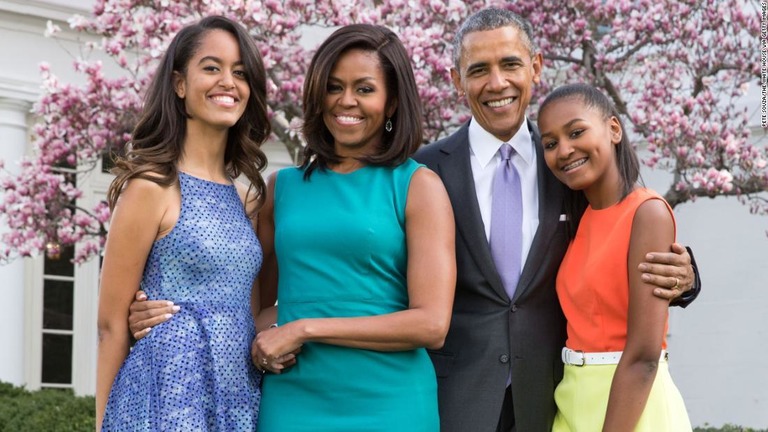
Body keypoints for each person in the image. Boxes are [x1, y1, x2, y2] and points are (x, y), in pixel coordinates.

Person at [411, 8, 701, 432]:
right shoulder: (425, 171)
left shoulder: (572, 166)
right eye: (479, 70)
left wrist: (687, 278)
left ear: (535, 67)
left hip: (553, 398)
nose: (498, 83)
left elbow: (622, 227)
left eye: (510, 64)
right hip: (456, 397)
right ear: (457, 80)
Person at [96, 16, 271, 431]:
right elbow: (109, 325)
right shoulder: (151, 186)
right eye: (211, 67)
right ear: (179, 84)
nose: (228, 81)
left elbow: (254, 309)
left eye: (240, 72)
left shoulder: (249, 201)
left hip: (237, 393)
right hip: (163, 396)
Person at [538, 83, 692, 431]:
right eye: (550, 144)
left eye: (576, 132)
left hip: (632, 407)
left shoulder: (647, 213)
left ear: (614, 129)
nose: (564, 150)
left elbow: (643, 357)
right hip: (572, 400)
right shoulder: (580, 220)